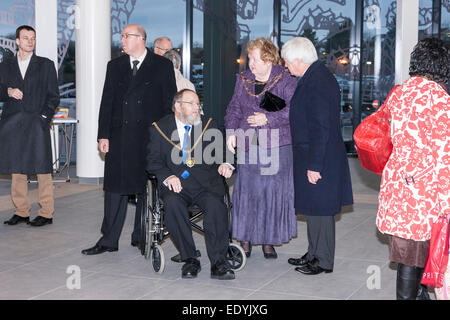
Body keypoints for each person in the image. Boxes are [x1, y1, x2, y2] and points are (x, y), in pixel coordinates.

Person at [81, 24, 177, 255]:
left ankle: (141, 236)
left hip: (149, 137)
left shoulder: (161, 66)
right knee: (114, 189)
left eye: (127, 36)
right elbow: (107, 103)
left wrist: (166, 139)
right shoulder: (114, 66)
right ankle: (108, 240)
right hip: (119, 136)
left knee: (145, 188)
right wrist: (103, 135)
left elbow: (168, 105)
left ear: (141, 39)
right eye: (122, 36)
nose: (122, 40)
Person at [375, 38, 449, 300]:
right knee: (415, 255)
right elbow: (444, 155)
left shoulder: (401, 92)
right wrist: (446, 203)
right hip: (422, 191)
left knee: (409, 254)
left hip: (398, 181)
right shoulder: (439, 98)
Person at [282, 37, 353, 275]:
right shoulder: (314, 77)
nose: (286, 66)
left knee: (321, 210)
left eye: (287, 62)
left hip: (320, 158)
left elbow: (321, 126)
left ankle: (322, 260)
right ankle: (313, 253)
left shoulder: (318, 81)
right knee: (313, 208)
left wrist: (314, 165)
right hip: (313, 154)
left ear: (299, 60)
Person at [147, 89, 235, 280]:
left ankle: (219, 262)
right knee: (172, 204)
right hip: (177, 187)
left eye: (198, 104)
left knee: (216, 206)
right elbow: (152, 161)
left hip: (206, 185)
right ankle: (190, 259)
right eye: (192, 103)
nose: (197, 107)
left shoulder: (208, 125)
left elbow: (223, 151)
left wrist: (226, 164)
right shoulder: (159, 128)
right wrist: (168, 176)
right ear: (178, 106)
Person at [224, 37, 297, 259]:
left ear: (268, 59)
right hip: (248, 142)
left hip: (277, 144)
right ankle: (244, 240)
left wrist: (267, 119)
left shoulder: (285, 79)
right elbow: (234, 108)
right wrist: (231, 133)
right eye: (250, 59)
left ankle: (268, 240)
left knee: (272, 192)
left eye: (255, 59)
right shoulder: (243, 79)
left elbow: (294, 111)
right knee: (247, 191)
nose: (250, 64)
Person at [0, 25, 59, 227]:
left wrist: (44, 117)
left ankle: (46, 212)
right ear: (17, 41)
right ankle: (21, 211)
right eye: (25, 38)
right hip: (12, 123)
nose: (30, 41)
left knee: (42, 169)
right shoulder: (5, 65)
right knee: (17, 168)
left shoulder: (45, 65)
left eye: (32, 38)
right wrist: (8, 91)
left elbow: (54, 96)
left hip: (36, 123)